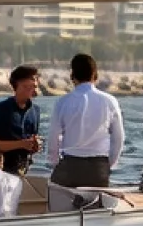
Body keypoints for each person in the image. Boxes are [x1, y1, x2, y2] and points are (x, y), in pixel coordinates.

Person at [47, 53, 124, 188]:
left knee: (55, 196)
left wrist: (55, 163)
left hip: (70, 165)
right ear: (95, 75)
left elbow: (53, 137)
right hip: (98, 168)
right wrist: (108, 164)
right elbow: (118, 138)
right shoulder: (110, 101)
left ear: (72, 76)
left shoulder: (62, 102)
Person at [0, 65, 41, 176]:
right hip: (1, 170)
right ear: (17, 85)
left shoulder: (35, 110)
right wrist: (21, 144)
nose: (32, 88)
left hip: (23, 169)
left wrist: (34, 146)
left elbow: (31, 140)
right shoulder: (1, 109)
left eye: (34, 85)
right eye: (27, 86)